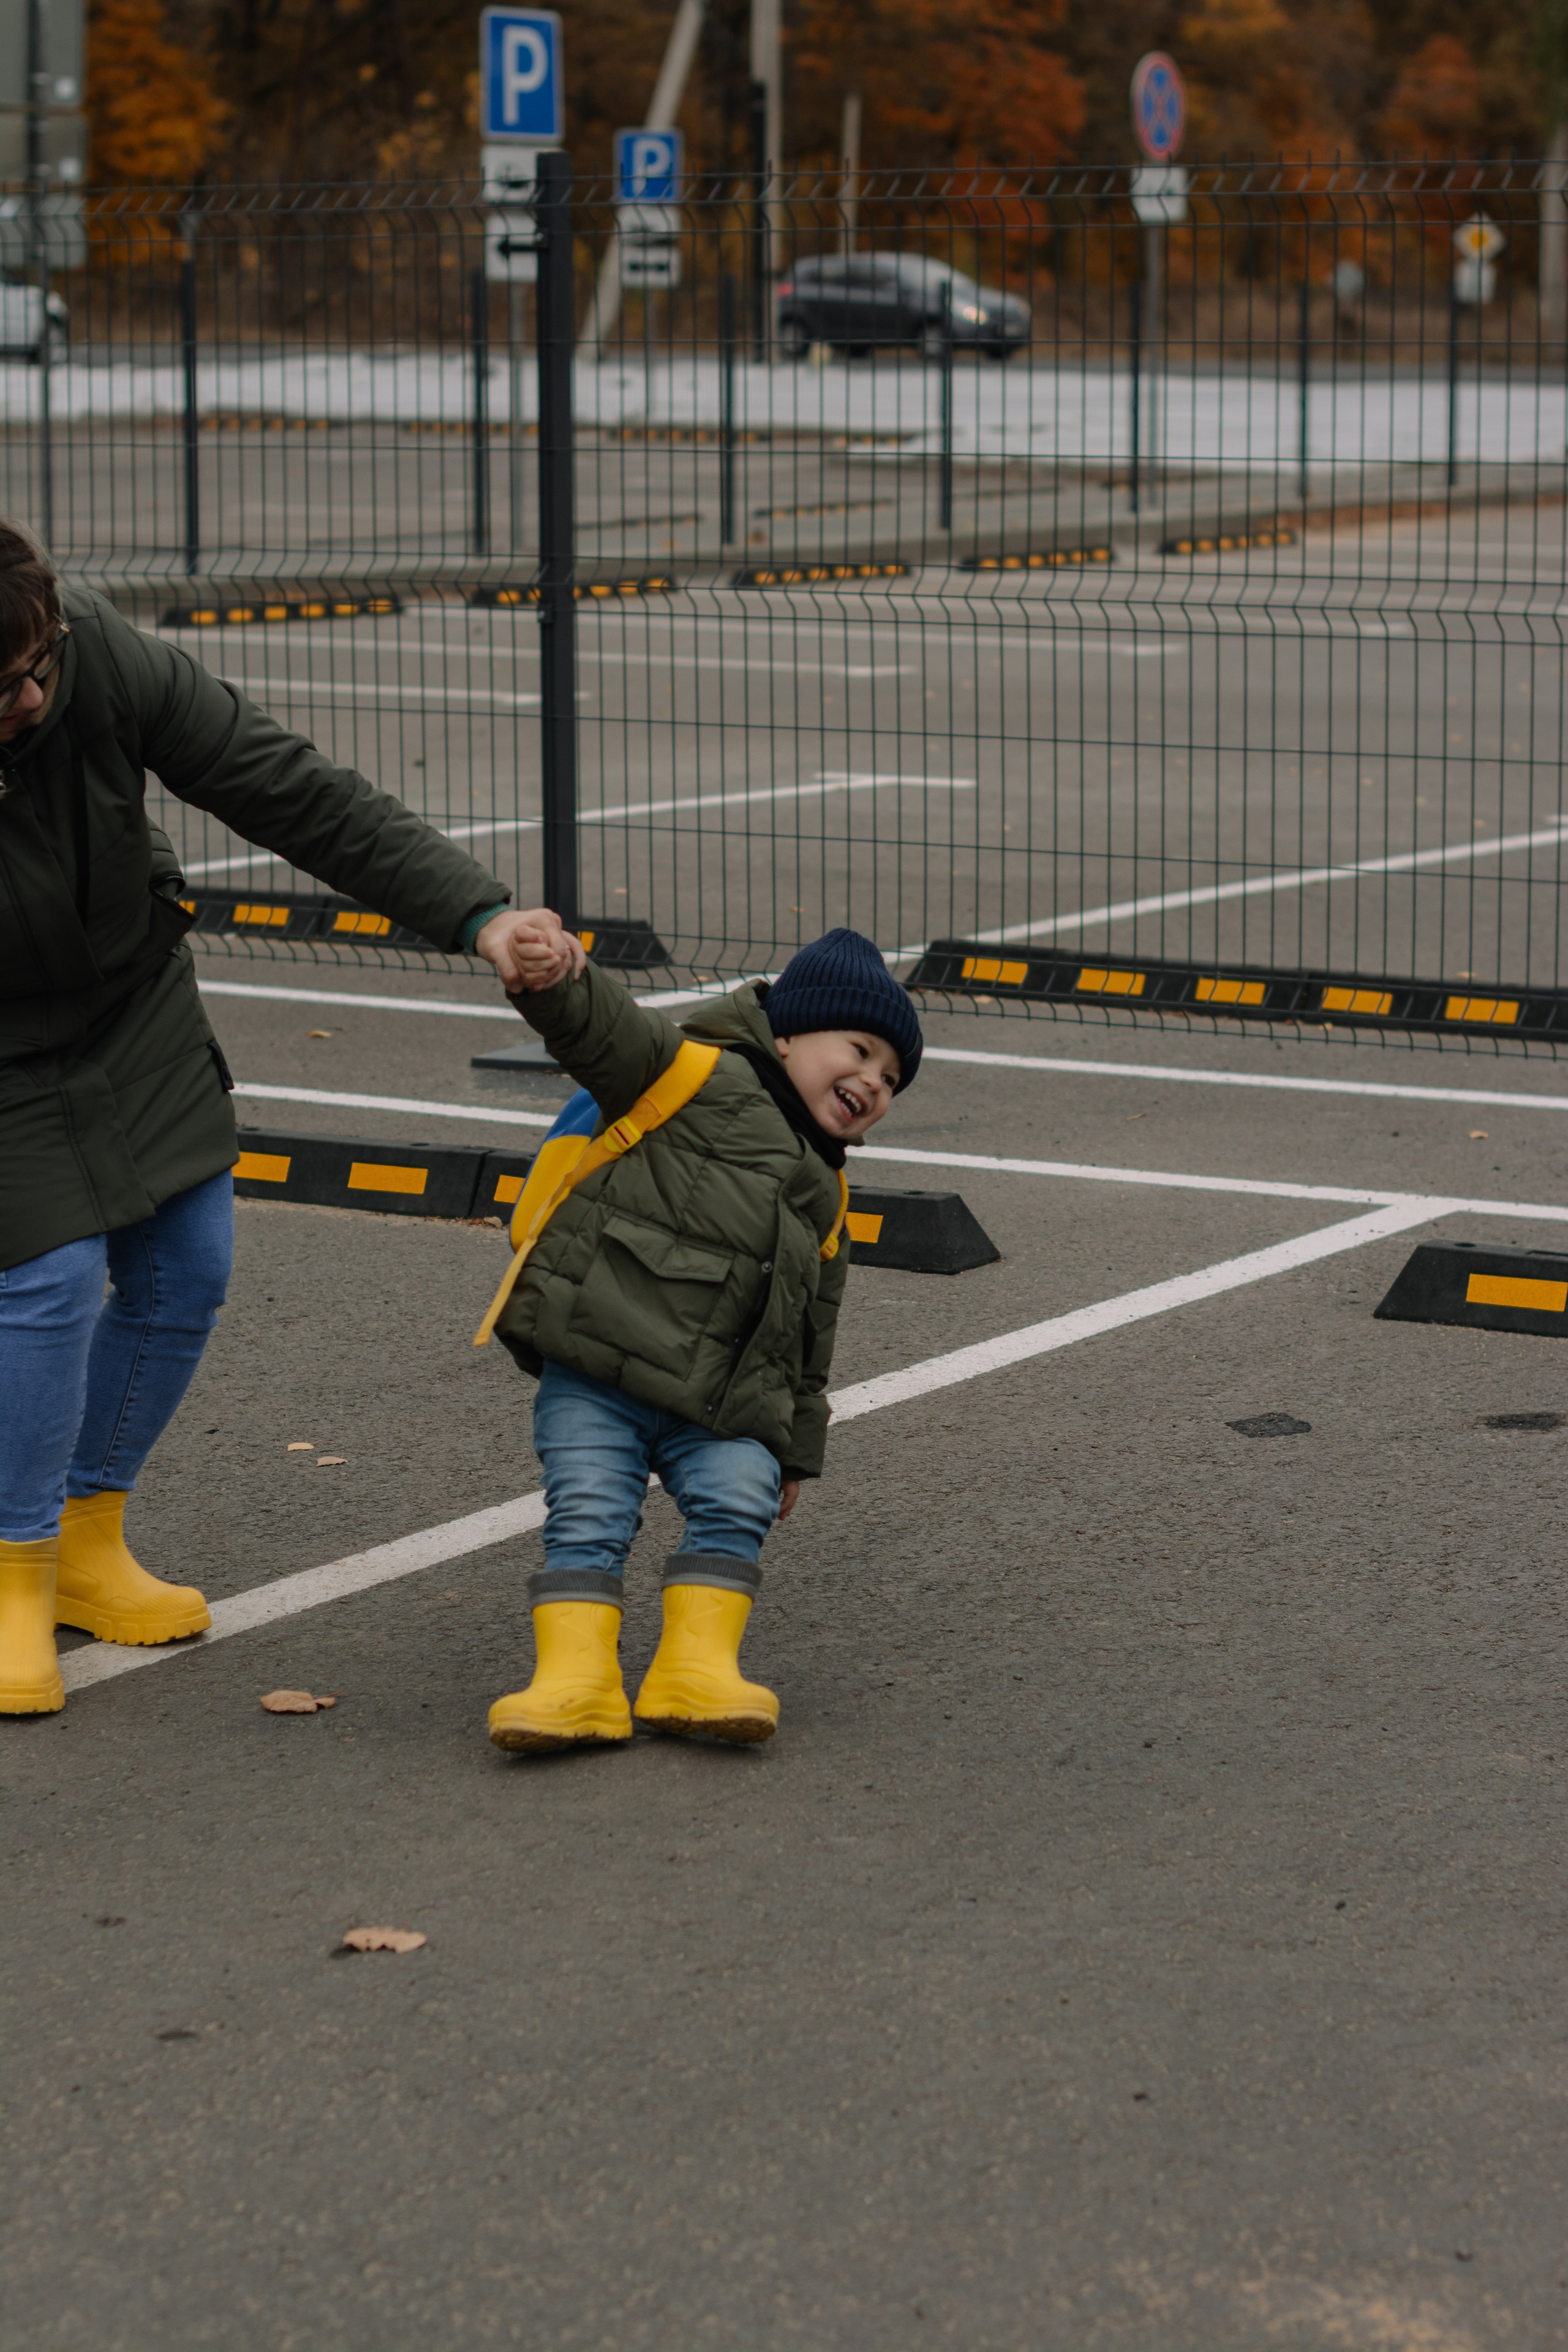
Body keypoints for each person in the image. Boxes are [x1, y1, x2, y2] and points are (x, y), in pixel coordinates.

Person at [0, 521, 546, 1715]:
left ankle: (88, 1536)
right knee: (44, 1283)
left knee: (185, 1267)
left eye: (37, 663)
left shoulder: (97, 656)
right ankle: (11, 1568)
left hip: (128, 1006)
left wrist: (477, 916)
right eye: (1, 688)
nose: (32, 697)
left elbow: (283, 783)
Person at [483, 911, 923, 1754]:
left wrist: (796, 1445)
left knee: (737, 1502)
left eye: (893, 1076)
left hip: (721, 1401)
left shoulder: (829, 1199)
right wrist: (554, 977)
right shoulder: (686, 1071)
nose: (874, 1081)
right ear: (787, 1035)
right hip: (600, 1369)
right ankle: (576, 1683)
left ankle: (695, 1670)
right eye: (860, 1051)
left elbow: (811, 1335)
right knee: (589, 1511)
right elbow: (597, 1026)